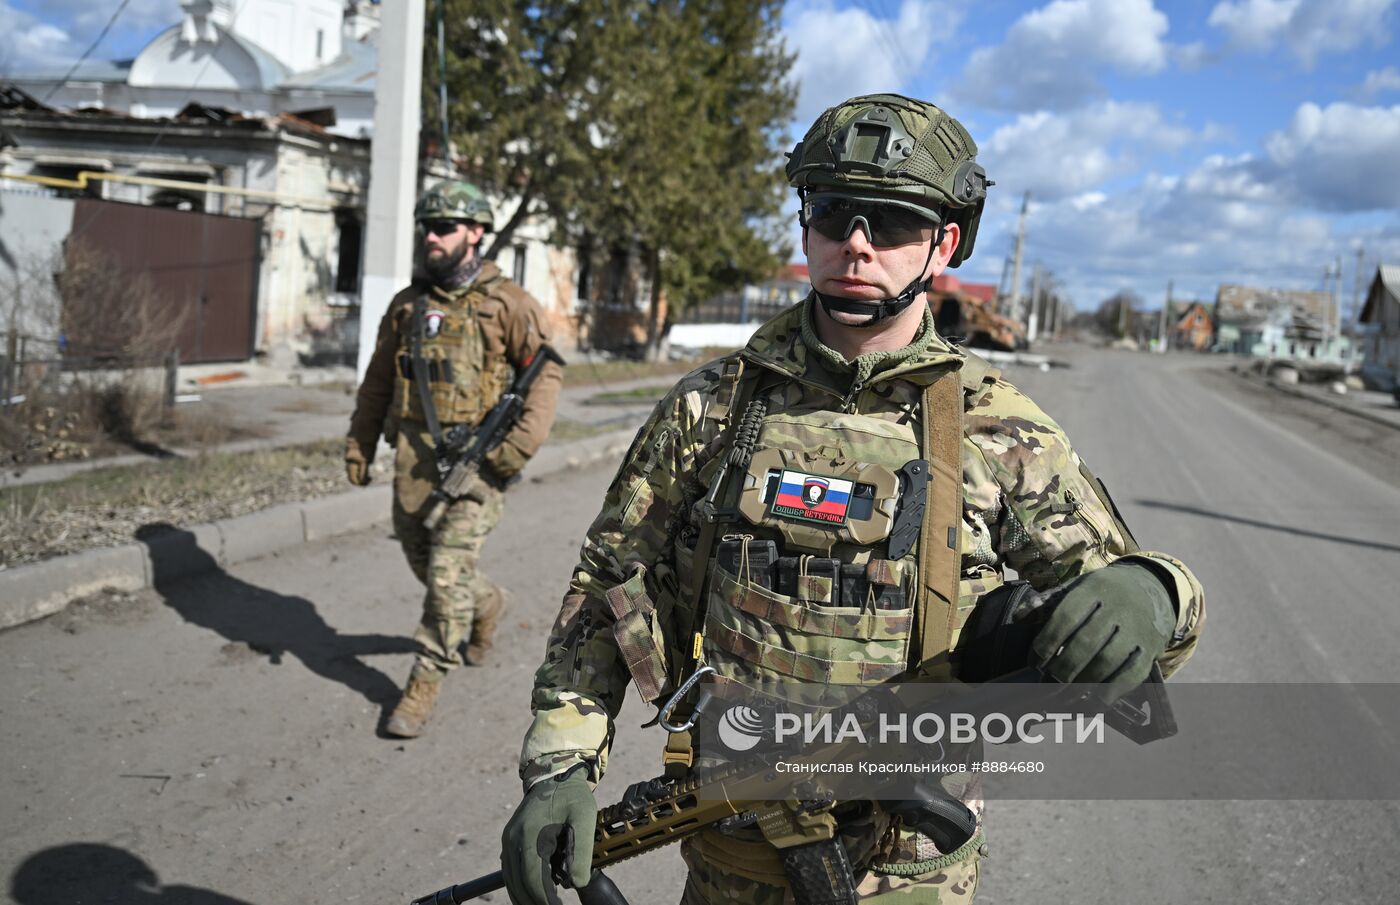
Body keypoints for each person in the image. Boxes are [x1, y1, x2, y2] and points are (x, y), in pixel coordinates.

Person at [500, 94, 1204, 903]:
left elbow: (1130, 632)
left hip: (908, 869)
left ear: (944, 243)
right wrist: (561, 763)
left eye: (893, 222)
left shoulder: (999, 428)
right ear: (807, 227)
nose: (857, 244)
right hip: (733, 853)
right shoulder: (710, 409)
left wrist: (1155, 591)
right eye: (834, 213)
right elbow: (608, 585)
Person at [345, 180, 562, 739]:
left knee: (445, 574)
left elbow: (545, 380)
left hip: (480, 462)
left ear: (476, 233)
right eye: (427, 228)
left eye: (444, 227)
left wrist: (512, 452)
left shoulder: (508, 304)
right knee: (426, 561)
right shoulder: (407, 305)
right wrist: (359, 442)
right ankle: (487, 605)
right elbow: (377, 382)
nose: (432, 237)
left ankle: (423, 682)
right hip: (415, 460)